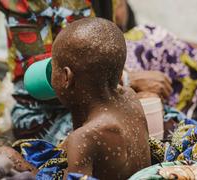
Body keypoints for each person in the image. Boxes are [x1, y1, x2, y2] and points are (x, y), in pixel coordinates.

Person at [51, 17, 151, 179]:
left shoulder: (84, 138)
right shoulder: (131, 97)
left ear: (66, 77)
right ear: (119, 72)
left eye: (53, 67)